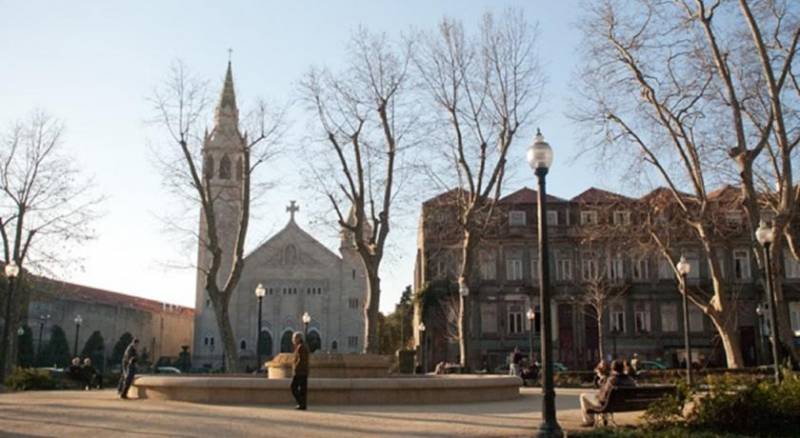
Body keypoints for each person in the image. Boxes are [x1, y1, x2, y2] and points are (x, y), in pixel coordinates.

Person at [580, 360, 636, 427]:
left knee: (583, 396)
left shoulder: (612, 379)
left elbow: (603, 397)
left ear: (612, 369)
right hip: (626, 404)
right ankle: (603, 419)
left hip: (608, 405)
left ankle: (589, 421)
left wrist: (597, 395)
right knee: (606, 401)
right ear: (623, 368)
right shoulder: (630, 380)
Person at [290, 332, 309, 410]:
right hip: (304, 371)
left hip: (300, 372)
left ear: (298, 338)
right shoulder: (303, 346)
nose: (293, 340)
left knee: (293, 387)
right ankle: (302, 405)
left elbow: (300, 360)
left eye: (294, 338)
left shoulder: (301, 347)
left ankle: (301, 402)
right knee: (302, 389)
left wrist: (295, 368)